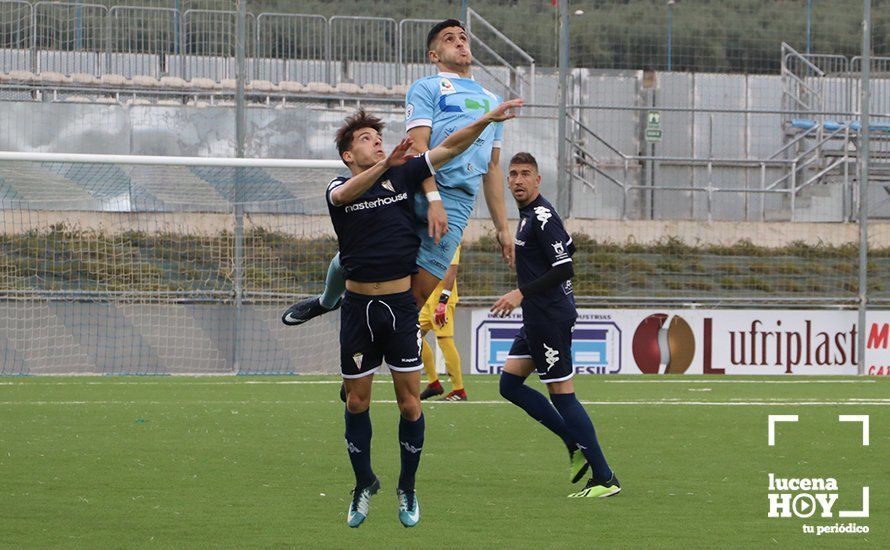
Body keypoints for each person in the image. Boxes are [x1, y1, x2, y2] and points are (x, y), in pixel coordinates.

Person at [327, 100, 522, 528]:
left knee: (410, 405)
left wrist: (487, 120)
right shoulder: (338, 187)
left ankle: (408, 488)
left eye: (379, 139)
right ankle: (363, 484)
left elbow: (449, 148)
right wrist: (387, 166)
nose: (377, 143)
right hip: (358, 309)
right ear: (347, 154)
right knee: (357, 402)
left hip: (399, 307)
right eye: (366, 139)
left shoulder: (403, 173)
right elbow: (345, 194)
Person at [282, 18, 512, 325]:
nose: (459, 42)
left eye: (462, 37)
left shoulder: (493, 101)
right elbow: (419, 148)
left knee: (413, 300)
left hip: (457, 203)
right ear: (434, 55)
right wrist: (433, 199)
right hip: (413, 188)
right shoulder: (426, 87)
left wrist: (502, 228)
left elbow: (493, 167)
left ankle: (394, 354)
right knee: (360, 256)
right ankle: (327, 300)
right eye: (448, 39)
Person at [491, 152, 621, 499]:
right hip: (537, 316)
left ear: (538, 180)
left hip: (548, 317)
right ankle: (571, 441)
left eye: (525, 174)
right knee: (509, 384)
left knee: (563, 397)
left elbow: (565, 267)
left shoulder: (542, 216)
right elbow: (566, 248)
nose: (518, 180)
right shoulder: (527, 218)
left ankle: (605, 477)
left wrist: (520, 292)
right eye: (513, 174)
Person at [419, 246, 466, 401]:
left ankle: (459, 390)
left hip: (442, 300)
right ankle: (434, 383)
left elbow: (451, 272)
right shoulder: (431, 237)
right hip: (429, 296)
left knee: (445, 341)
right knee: (415, 335)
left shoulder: (452, 239)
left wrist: (443, 302)